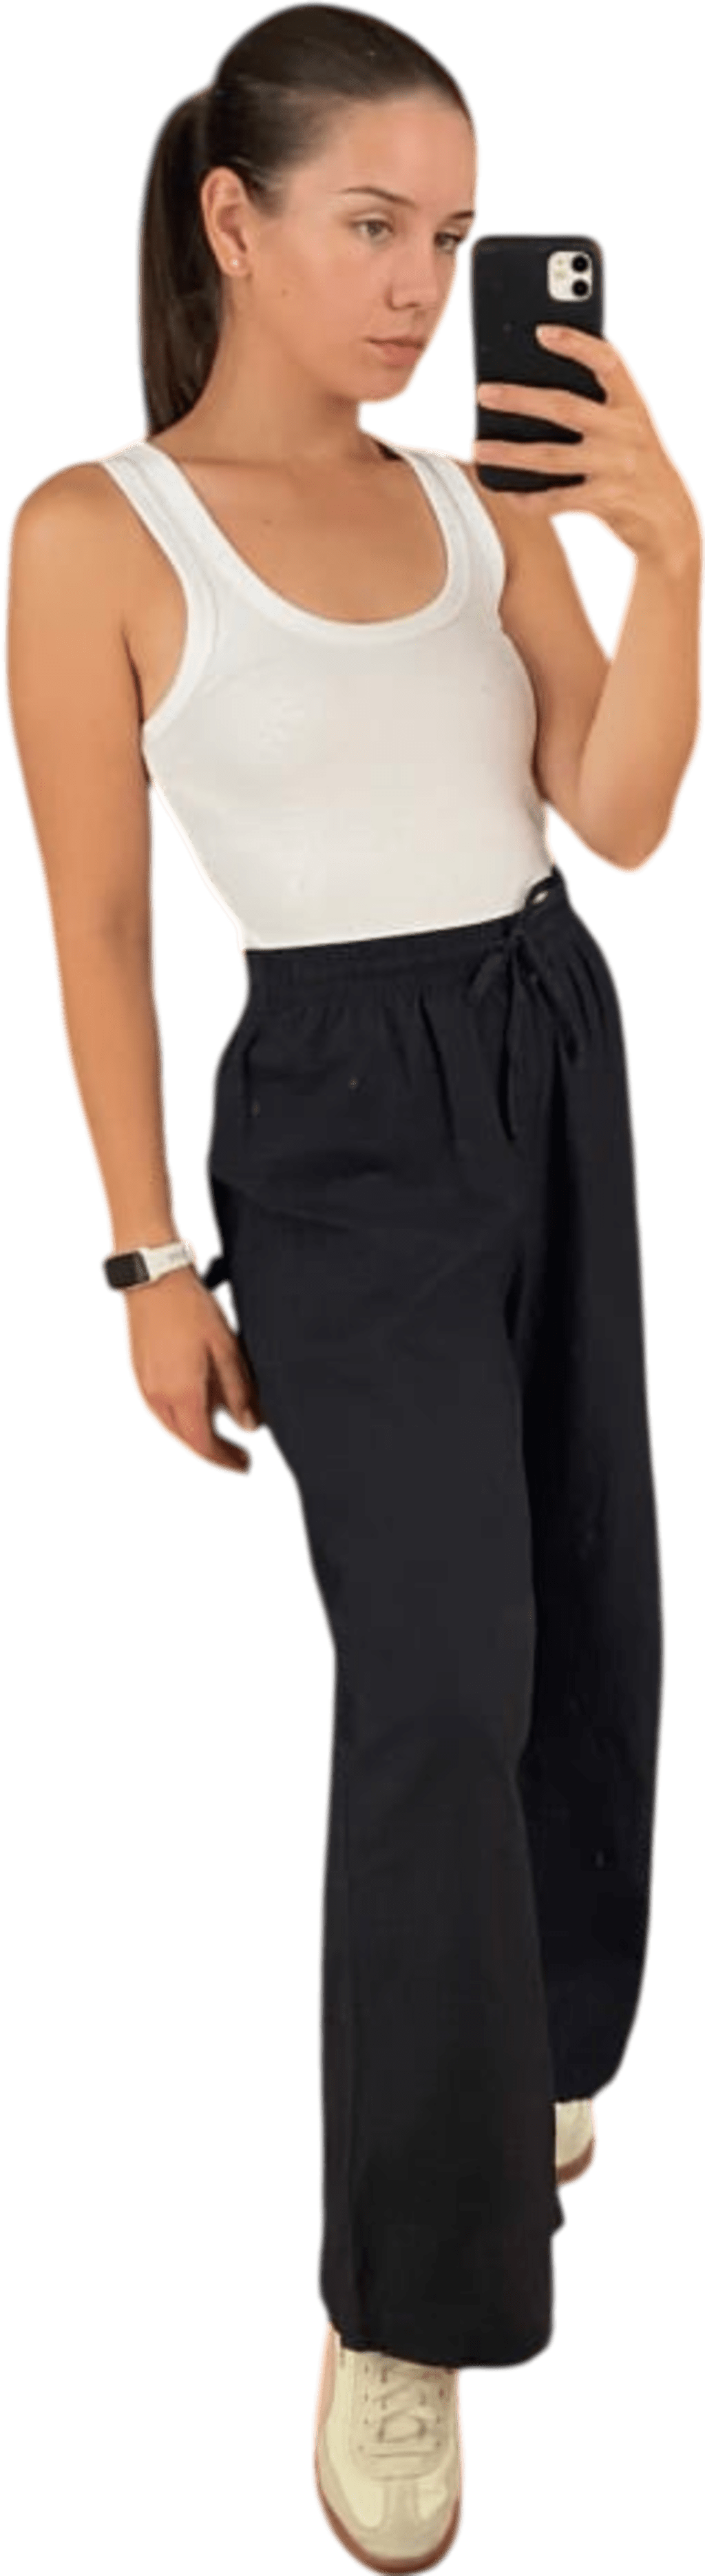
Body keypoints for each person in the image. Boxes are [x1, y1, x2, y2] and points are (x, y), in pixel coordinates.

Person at [4, 8, 702, 2570]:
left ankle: (539, 2045)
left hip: (550, 1039)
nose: (424, 284)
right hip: (333, 1117)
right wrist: (144, 1253)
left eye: (458, 233)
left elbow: (616, 818)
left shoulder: (476, 491)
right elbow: (100, 931)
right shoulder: (97, 535)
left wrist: (669, 551)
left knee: (593, 1594)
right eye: (372, 225)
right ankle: (401, 2295)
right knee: (431, 1678)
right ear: (235, 218)